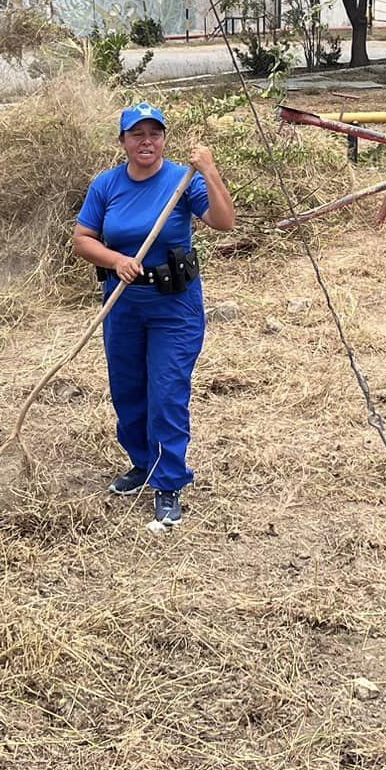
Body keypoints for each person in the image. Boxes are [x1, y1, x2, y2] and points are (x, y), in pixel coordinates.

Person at [71, 102, 236, 531]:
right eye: (137, 134)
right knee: (128, 390)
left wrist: (210, 171)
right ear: (123, 141)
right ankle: (143, 464)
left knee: (166, 392)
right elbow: (83, 239)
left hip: (173, 306)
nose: (147, 142)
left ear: (164, 138)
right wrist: (115, 260)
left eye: (154, 134)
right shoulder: (106, 185)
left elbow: (224, 222)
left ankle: (168, 481)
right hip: (122, 301)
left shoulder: (183, 180)